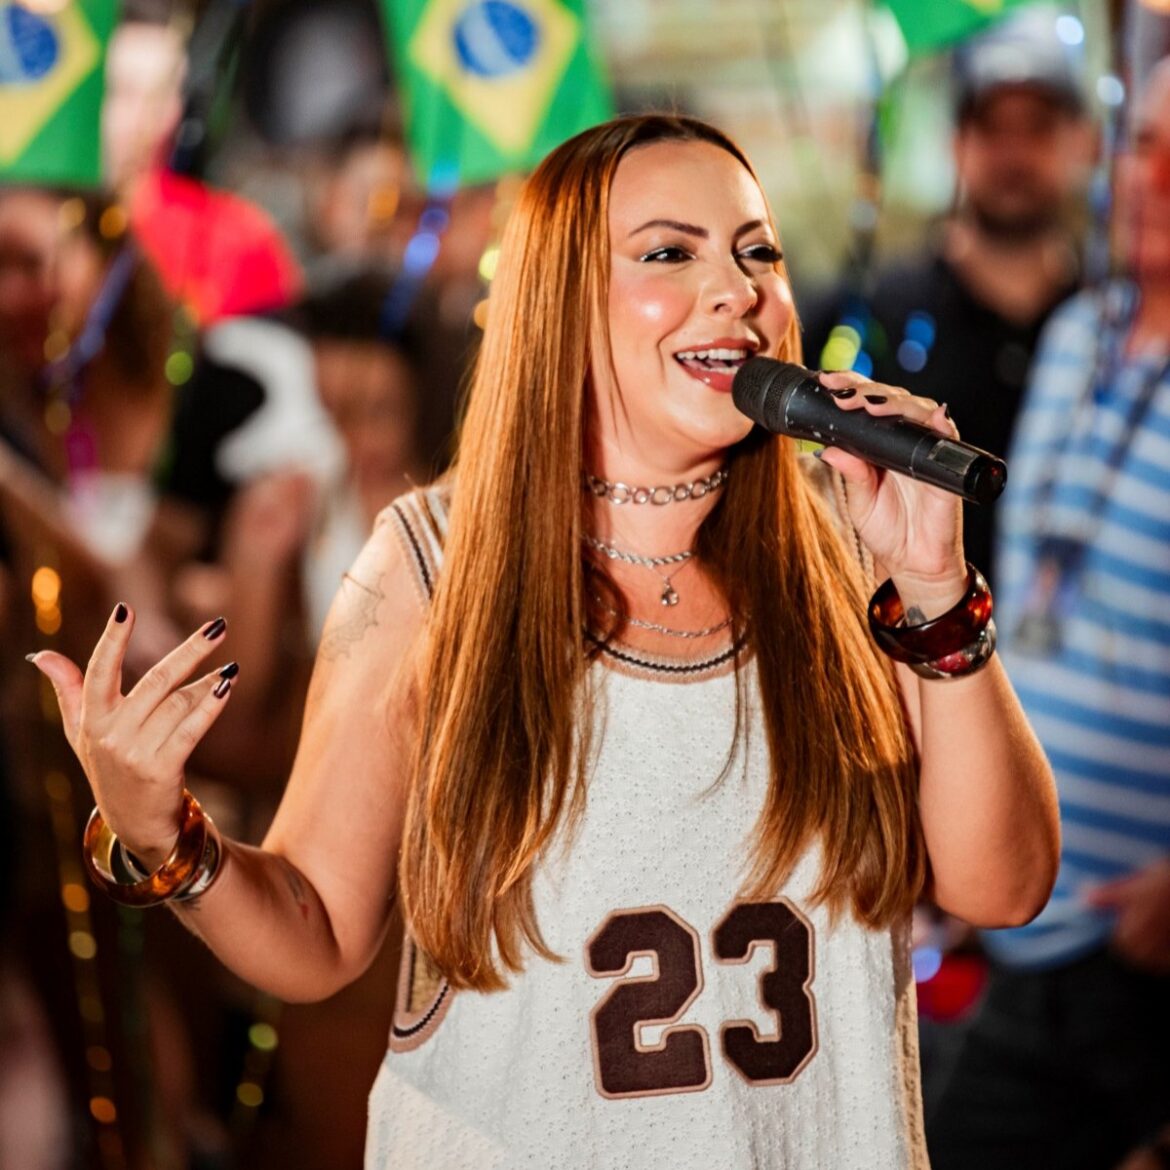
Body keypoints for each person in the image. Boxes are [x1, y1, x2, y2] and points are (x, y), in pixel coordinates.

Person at [28, 114, 1057, 1169]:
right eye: (670, 253)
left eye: (758, 253)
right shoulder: (433, 564)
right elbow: (316, 930)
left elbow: (1005, 888)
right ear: (559, 301)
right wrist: (164, 837)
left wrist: (936, 586)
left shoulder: (855, 545)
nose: (738, 290)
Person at [925, 58, 1170, 1170]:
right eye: (1144, 145)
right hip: (1025, 909)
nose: (1152, 178)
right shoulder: (1079, 332)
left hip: (1141, 945)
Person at [802, 11, 1094, 588]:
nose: (1014, 154)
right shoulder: (874, 314)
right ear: (958, 144)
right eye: (993, 128)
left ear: (1079, 144)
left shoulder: (1113, 329)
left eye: (1036, 128)